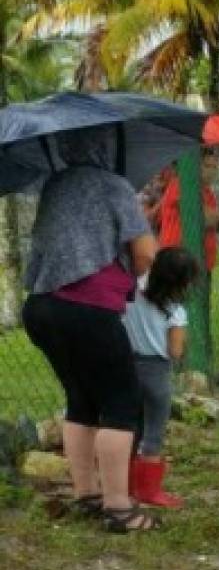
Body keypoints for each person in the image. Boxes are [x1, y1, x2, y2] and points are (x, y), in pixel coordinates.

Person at [22, 155, 160, 533]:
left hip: (41, 305)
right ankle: (119, 509)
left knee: (81, 398)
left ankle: (87, 495)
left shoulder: (55, 183)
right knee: (122, 402)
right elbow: (145, 253)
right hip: (88, 307)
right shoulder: (115, 184)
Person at [123, 247, 200, 508]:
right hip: (156, 372)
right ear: (182, 283)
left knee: (131, 428)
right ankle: (149, 491)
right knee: (153, 432)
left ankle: (124, 485)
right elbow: (175, 351)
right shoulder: (175, 311)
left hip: (128, 367)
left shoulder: (130, 295)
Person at [157, 151, 219, 273]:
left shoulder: (208, 192)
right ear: (196, 166)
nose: (212, 172)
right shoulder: (181, 185)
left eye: (215, 167)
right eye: (208, 166)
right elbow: (205, 218)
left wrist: (216, 218)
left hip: (203, 262)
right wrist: (215, 217)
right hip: (178, 261)